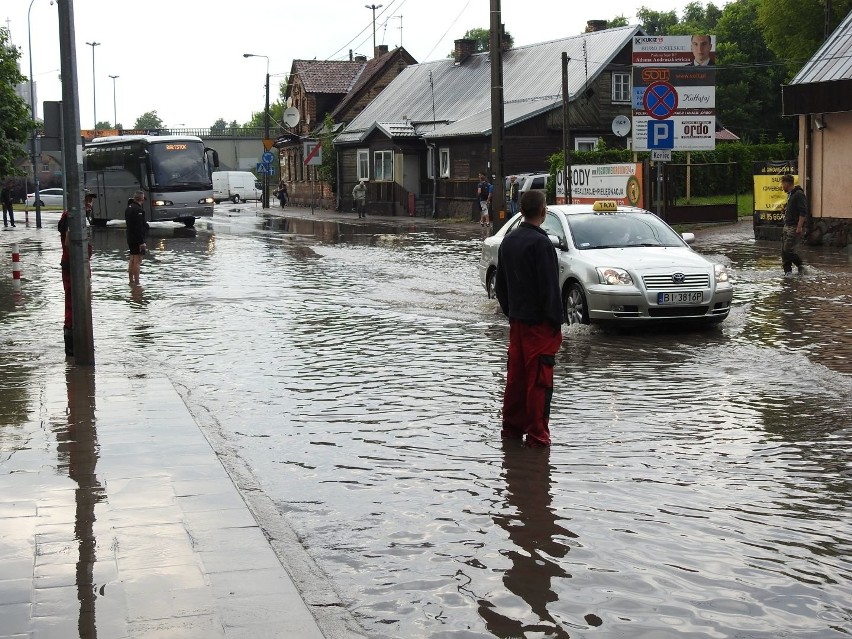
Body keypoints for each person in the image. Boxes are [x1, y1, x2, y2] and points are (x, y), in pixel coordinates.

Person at [494, 190, 563, 447]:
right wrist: (555, 323)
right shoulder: (542, 244)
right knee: (539, 382)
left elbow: (500, 287)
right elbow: (550, 289)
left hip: (517, 323)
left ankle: (511, 431)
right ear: (543, 212)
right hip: (539, 326)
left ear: (521, 210)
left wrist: (512, 312)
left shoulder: (508, 241)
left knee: (516, 379)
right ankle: (537, 437)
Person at [59, 192, 96, 356]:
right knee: (73, 303)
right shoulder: (72, 217)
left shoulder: (82, 217)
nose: (89, 203)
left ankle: (79, 345)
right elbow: (68, 240)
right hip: (73, 266)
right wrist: (78, 261)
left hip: (80, 265)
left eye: (90, 200)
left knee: (82, 302)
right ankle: (72, 347)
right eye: (86, 200)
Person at [780, 174, 807, 276]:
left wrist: (799, 227)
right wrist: (785, 210)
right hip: (787, 225)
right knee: (784, 252)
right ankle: (788, 274)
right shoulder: (790, 194)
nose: (782, 186)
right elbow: (792, 209)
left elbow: (803, 211)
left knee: (788, 251)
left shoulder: (798, 194)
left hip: (793, 226)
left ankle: (802, 267)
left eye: (782, 184)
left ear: (787, 183)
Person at [125, 190, 147, 285]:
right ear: (141, 199)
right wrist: (141, 241)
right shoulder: (138, 210)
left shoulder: (128, 208)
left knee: (132, 259)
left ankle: (131, 281)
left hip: (129, 237)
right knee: (137, 260)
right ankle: (137, 282)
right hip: (137, 238)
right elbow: (138, 227)